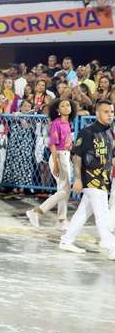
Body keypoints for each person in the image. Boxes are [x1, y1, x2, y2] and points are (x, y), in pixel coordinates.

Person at [59, 100, 115, 258]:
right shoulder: (88, 132)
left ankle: (66, 240)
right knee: (102, 215)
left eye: (112, 111)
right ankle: (112, 248)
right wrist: (77, 178)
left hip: (104, 179)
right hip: (90, 179)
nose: (110, 115)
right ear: (97, 113)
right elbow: (77, 156)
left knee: (83, 212)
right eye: (106, 112)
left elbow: (111, 157)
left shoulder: (110, 131)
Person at [26, 98, 75, 228]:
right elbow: (53, 144)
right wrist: (56, 163)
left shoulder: (68, 123)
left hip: (66, 156)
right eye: (63, 106)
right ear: (58, 110)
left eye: (68, 104)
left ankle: (61, 219)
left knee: (64, 189)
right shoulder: (56, 123)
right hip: (58, 157)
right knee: (64, 191)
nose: (66, 107)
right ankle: (37, 211)